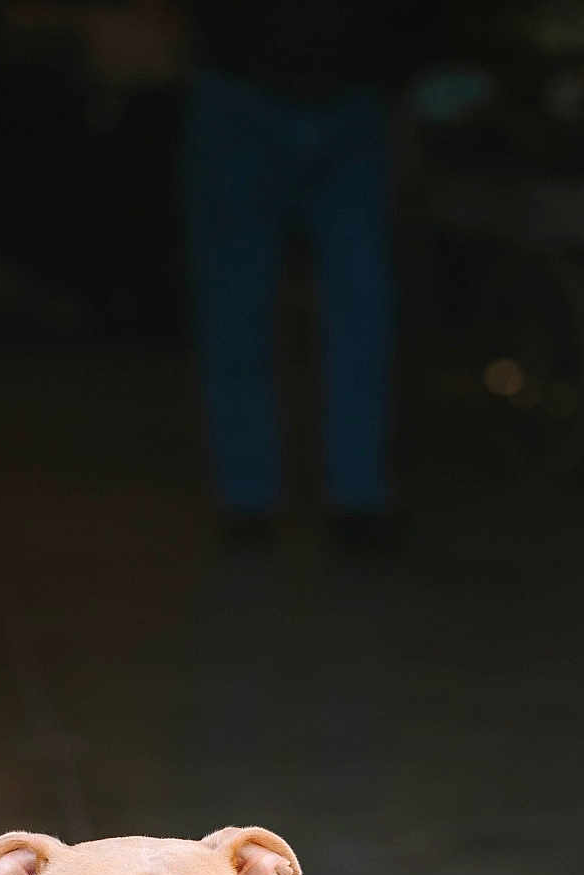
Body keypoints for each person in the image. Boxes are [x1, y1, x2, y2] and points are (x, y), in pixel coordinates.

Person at [184, 2, 442, 543]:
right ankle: (252, 497)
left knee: (360, 302)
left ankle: (354, 494)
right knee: (239, 302)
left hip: (346, 97)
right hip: (247, 92)